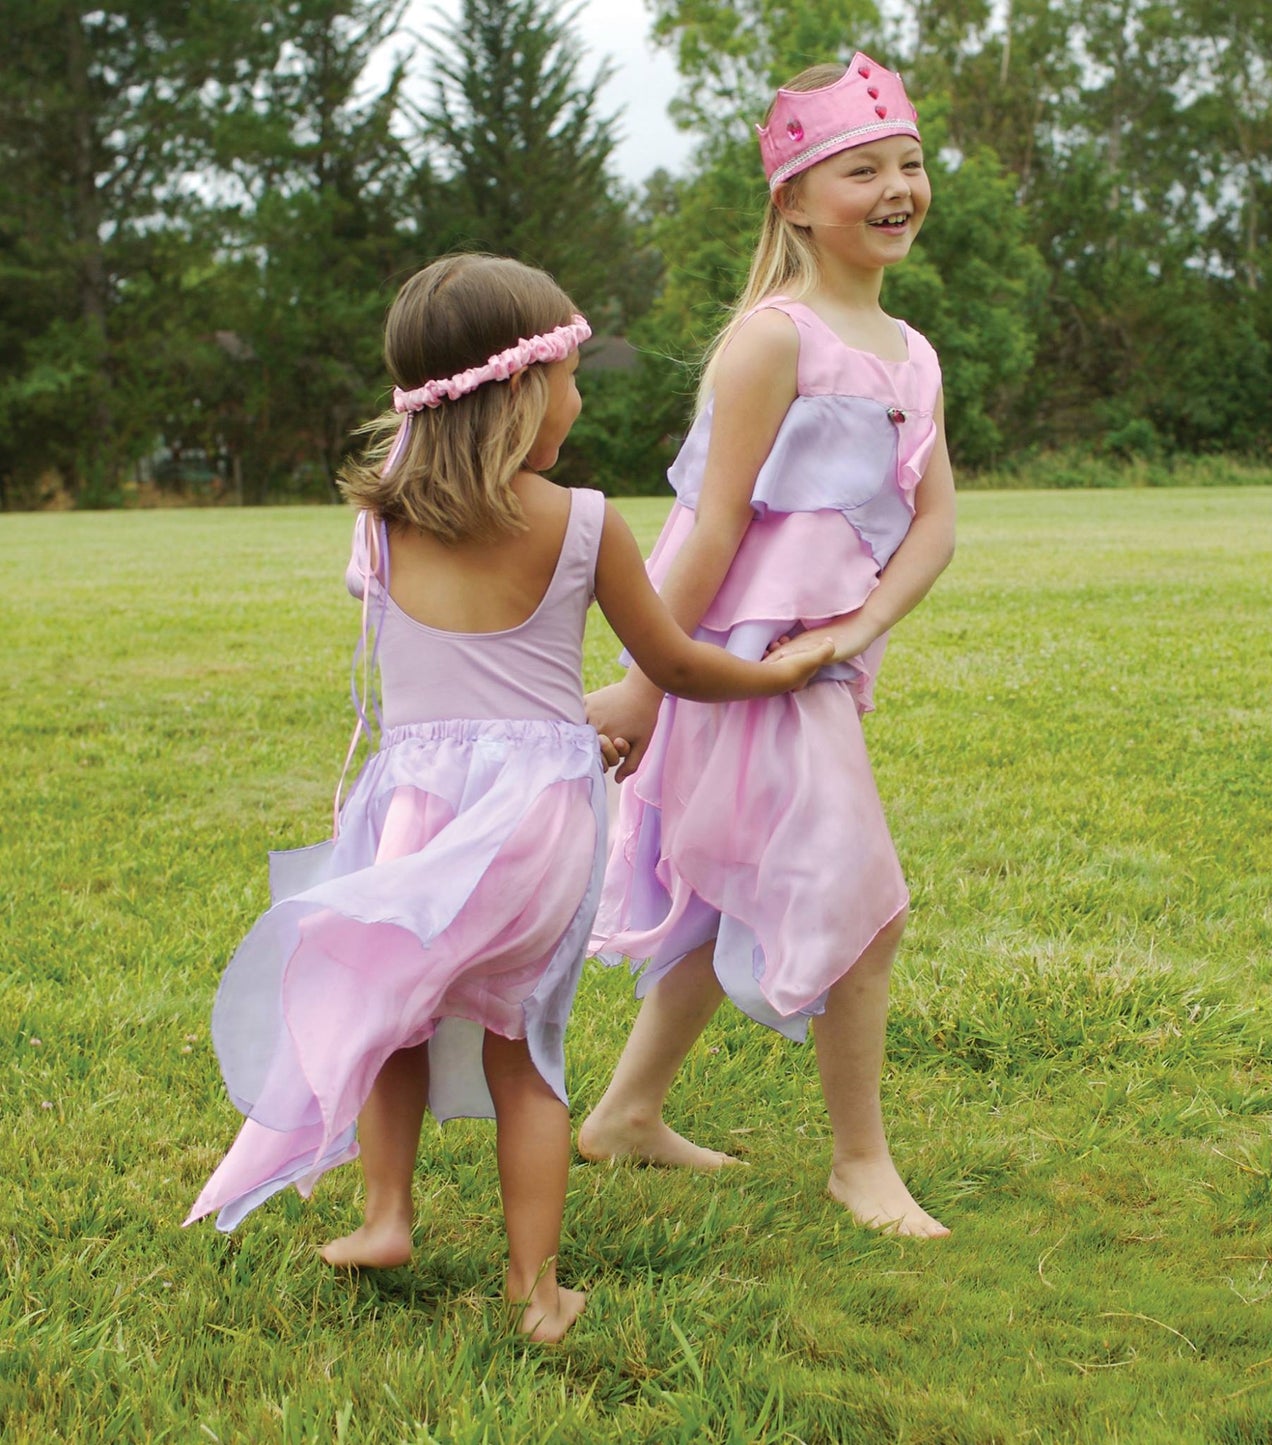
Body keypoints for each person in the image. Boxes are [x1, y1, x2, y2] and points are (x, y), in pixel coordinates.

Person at [185, 253, 834, 1342]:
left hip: (414, 819)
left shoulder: (378, 529)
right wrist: (775, 671)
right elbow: (669, 666)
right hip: (538, 825)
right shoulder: (582, 522)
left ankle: (386, 1213)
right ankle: (534, 1288)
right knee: (523, 1053)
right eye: (571, 373)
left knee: (396, 1014)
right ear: (523, 390)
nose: (578, 398)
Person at [581, 54, 957, 1239]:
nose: (895, 187)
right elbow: (709, 531)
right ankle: (859, 1163)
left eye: (906, 164)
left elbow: (936, 524)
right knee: (863, 899)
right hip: (743, 666)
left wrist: (859, 627)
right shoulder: (770, 340)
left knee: (716, 890)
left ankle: (625, 1113)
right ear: (794, 199)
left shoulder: (909, 351)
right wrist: (648, 684)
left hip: (816, 667)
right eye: (862, 171)